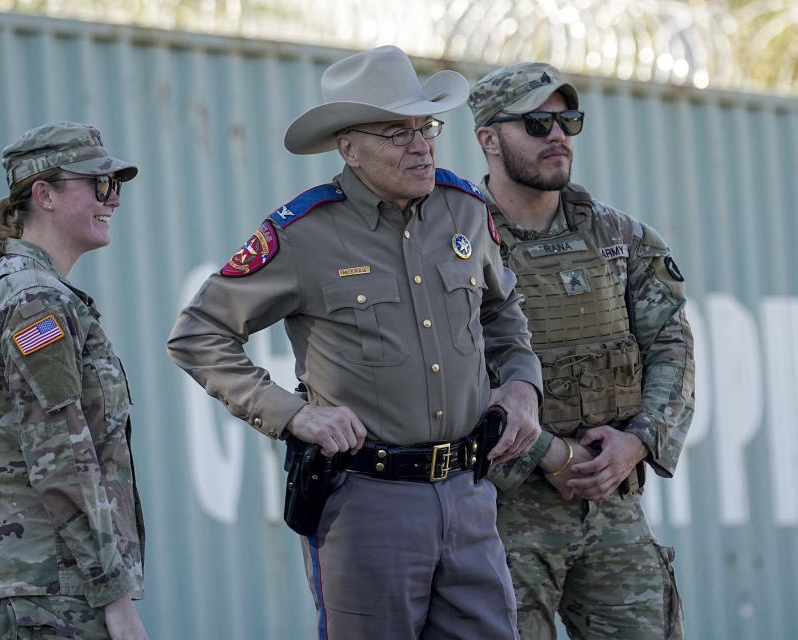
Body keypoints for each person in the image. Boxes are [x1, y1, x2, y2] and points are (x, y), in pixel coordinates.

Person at [167, 45, 543, 640]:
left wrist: (522, 386)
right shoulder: (303, 233)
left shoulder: (466, 211)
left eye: (428, 127)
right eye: (397, 132)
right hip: (368, 504)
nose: (421, 146)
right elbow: (198, 335)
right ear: (348, 147)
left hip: (471, 497)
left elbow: (502, 312)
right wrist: (294, 416)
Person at [467, 62, 695, 639]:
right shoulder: (458, 247)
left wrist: (637, 441)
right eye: (537, 123)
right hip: (504, 511)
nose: (559, 136)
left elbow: (671, 345)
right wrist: (547, 453)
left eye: (568, 120)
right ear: (488, 138)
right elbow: (444, 374)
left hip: (612, 499)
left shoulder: (623, 238)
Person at [0, 121, 148, 640]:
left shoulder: (37, 291)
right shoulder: (33, 299)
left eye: (116, 186)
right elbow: (59, 454)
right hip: (54, 583)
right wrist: (115, 597)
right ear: (43, 193)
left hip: (54, 577)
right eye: (100, 185)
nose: (113, 200)